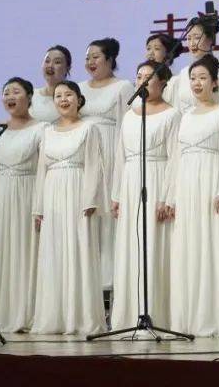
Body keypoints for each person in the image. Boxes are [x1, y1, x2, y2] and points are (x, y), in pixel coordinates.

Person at [165, 55, 219, 336]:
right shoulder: (184, 116)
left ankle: (215, 317)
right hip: (187, 189)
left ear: (215, 82)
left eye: (202, 78)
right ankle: (187, 318)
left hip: (212, 187)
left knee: (212, 248)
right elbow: (176, 159)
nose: (197, 83)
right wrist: (171, 197)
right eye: (193, 78)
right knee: (189, 250)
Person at [30, 80, 106, 335]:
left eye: (69, 95)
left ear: (79, 99)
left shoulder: (89, 128)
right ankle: (55, 317)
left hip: (78, 192)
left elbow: (94, 165)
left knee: (78, 250)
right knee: (54, 252)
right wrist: (38, 207)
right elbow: (42, 170)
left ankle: (81, 318)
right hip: (52, 194)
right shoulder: (47, 132)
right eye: (58, 96)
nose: (63, 99)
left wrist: (90, 199)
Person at [111, 61, 181, 331]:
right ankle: (130, 313)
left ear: (162, 82)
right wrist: (117, 194)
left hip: (157, 177)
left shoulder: (172, 115)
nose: (142, 81)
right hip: (131, 181)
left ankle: (157, 313)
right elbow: (121, 156)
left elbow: (175, 157)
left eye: (148, 77)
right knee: (132, 246)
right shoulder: (130, 115)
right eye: (138, 76)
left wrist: (167, 196)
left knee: (154, 245)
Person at [0, 77, 43, 333]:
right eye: (6, 92)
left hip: (27, 195)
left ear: (29, 97)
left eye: (16, 92)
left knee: (26, 251)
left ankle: (26, 313)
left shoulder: (41, 129)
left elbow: (44, 170)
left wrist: (41, 205)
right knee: (0, 251)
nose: (10, 97)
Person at [79, 38, 133, 289]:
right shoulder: (79, 88)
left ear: (110, 60)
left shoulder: (123, 87)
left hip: (110, 153)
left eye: (96, 57)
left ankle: (111, 281)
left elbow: (127, 125)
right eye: (87, 57)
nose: (90, 62)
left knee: (109, 213)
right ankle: (87, 279)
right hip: (84, 156)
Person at [165, 16, 219, 113]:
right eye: (189, 38)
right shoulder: (184, 73)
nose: (192, 43)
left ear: (210, 39)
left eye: (197, 38)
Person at [30, 45, 72, 122]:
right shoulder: (31, 95)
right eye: (47, 61)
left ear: (67, 68)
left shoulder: (73, 98)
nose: (50, 65)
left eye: (57, 62)